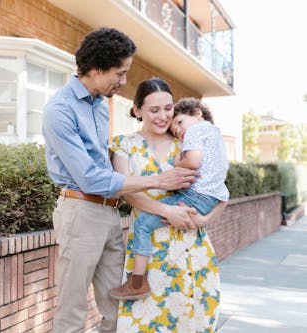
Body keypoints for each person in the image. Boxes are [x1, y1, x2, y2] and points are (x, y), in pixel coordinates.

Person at [42, 29, 199, 333]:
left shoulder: (99, 105)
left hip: (110, 212)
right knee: (72, 311)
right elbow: (89, 178)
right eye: (120, 72)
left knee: (119, 312)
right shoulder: (59, 110)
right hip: (80, 211)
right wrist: (157, 180)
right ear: (97, 69)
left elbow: (104, 165)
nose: (124, 81)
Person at [109, 78, 226, 332]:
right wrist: (166, 210)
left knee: (191, 322)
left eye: (168, 108)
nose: (163, 117)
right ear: (138, 110)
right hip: (148, 254)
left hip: (191, 247)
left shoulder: (186, 142)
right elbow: (126, 191)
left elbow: (220, 189)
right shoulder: (124, 145)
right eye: (154, 110)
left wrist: (205, 220)